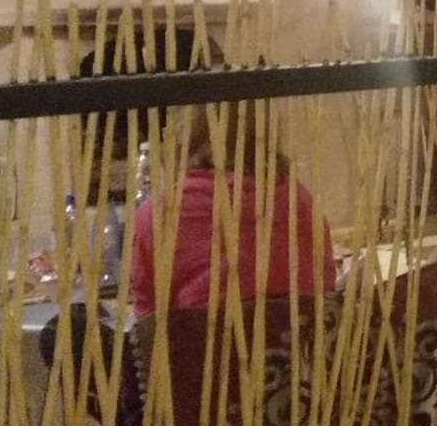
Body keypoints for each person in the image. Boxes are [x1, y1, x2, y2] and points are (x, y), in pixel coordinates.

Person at [129, 99, 336, 314]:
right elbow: (325, 289)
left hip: (203, 336)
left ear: (183, 129)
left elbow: (148, 319)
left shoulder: (159, 215)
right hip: (297, 336)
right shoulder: (300, 203)